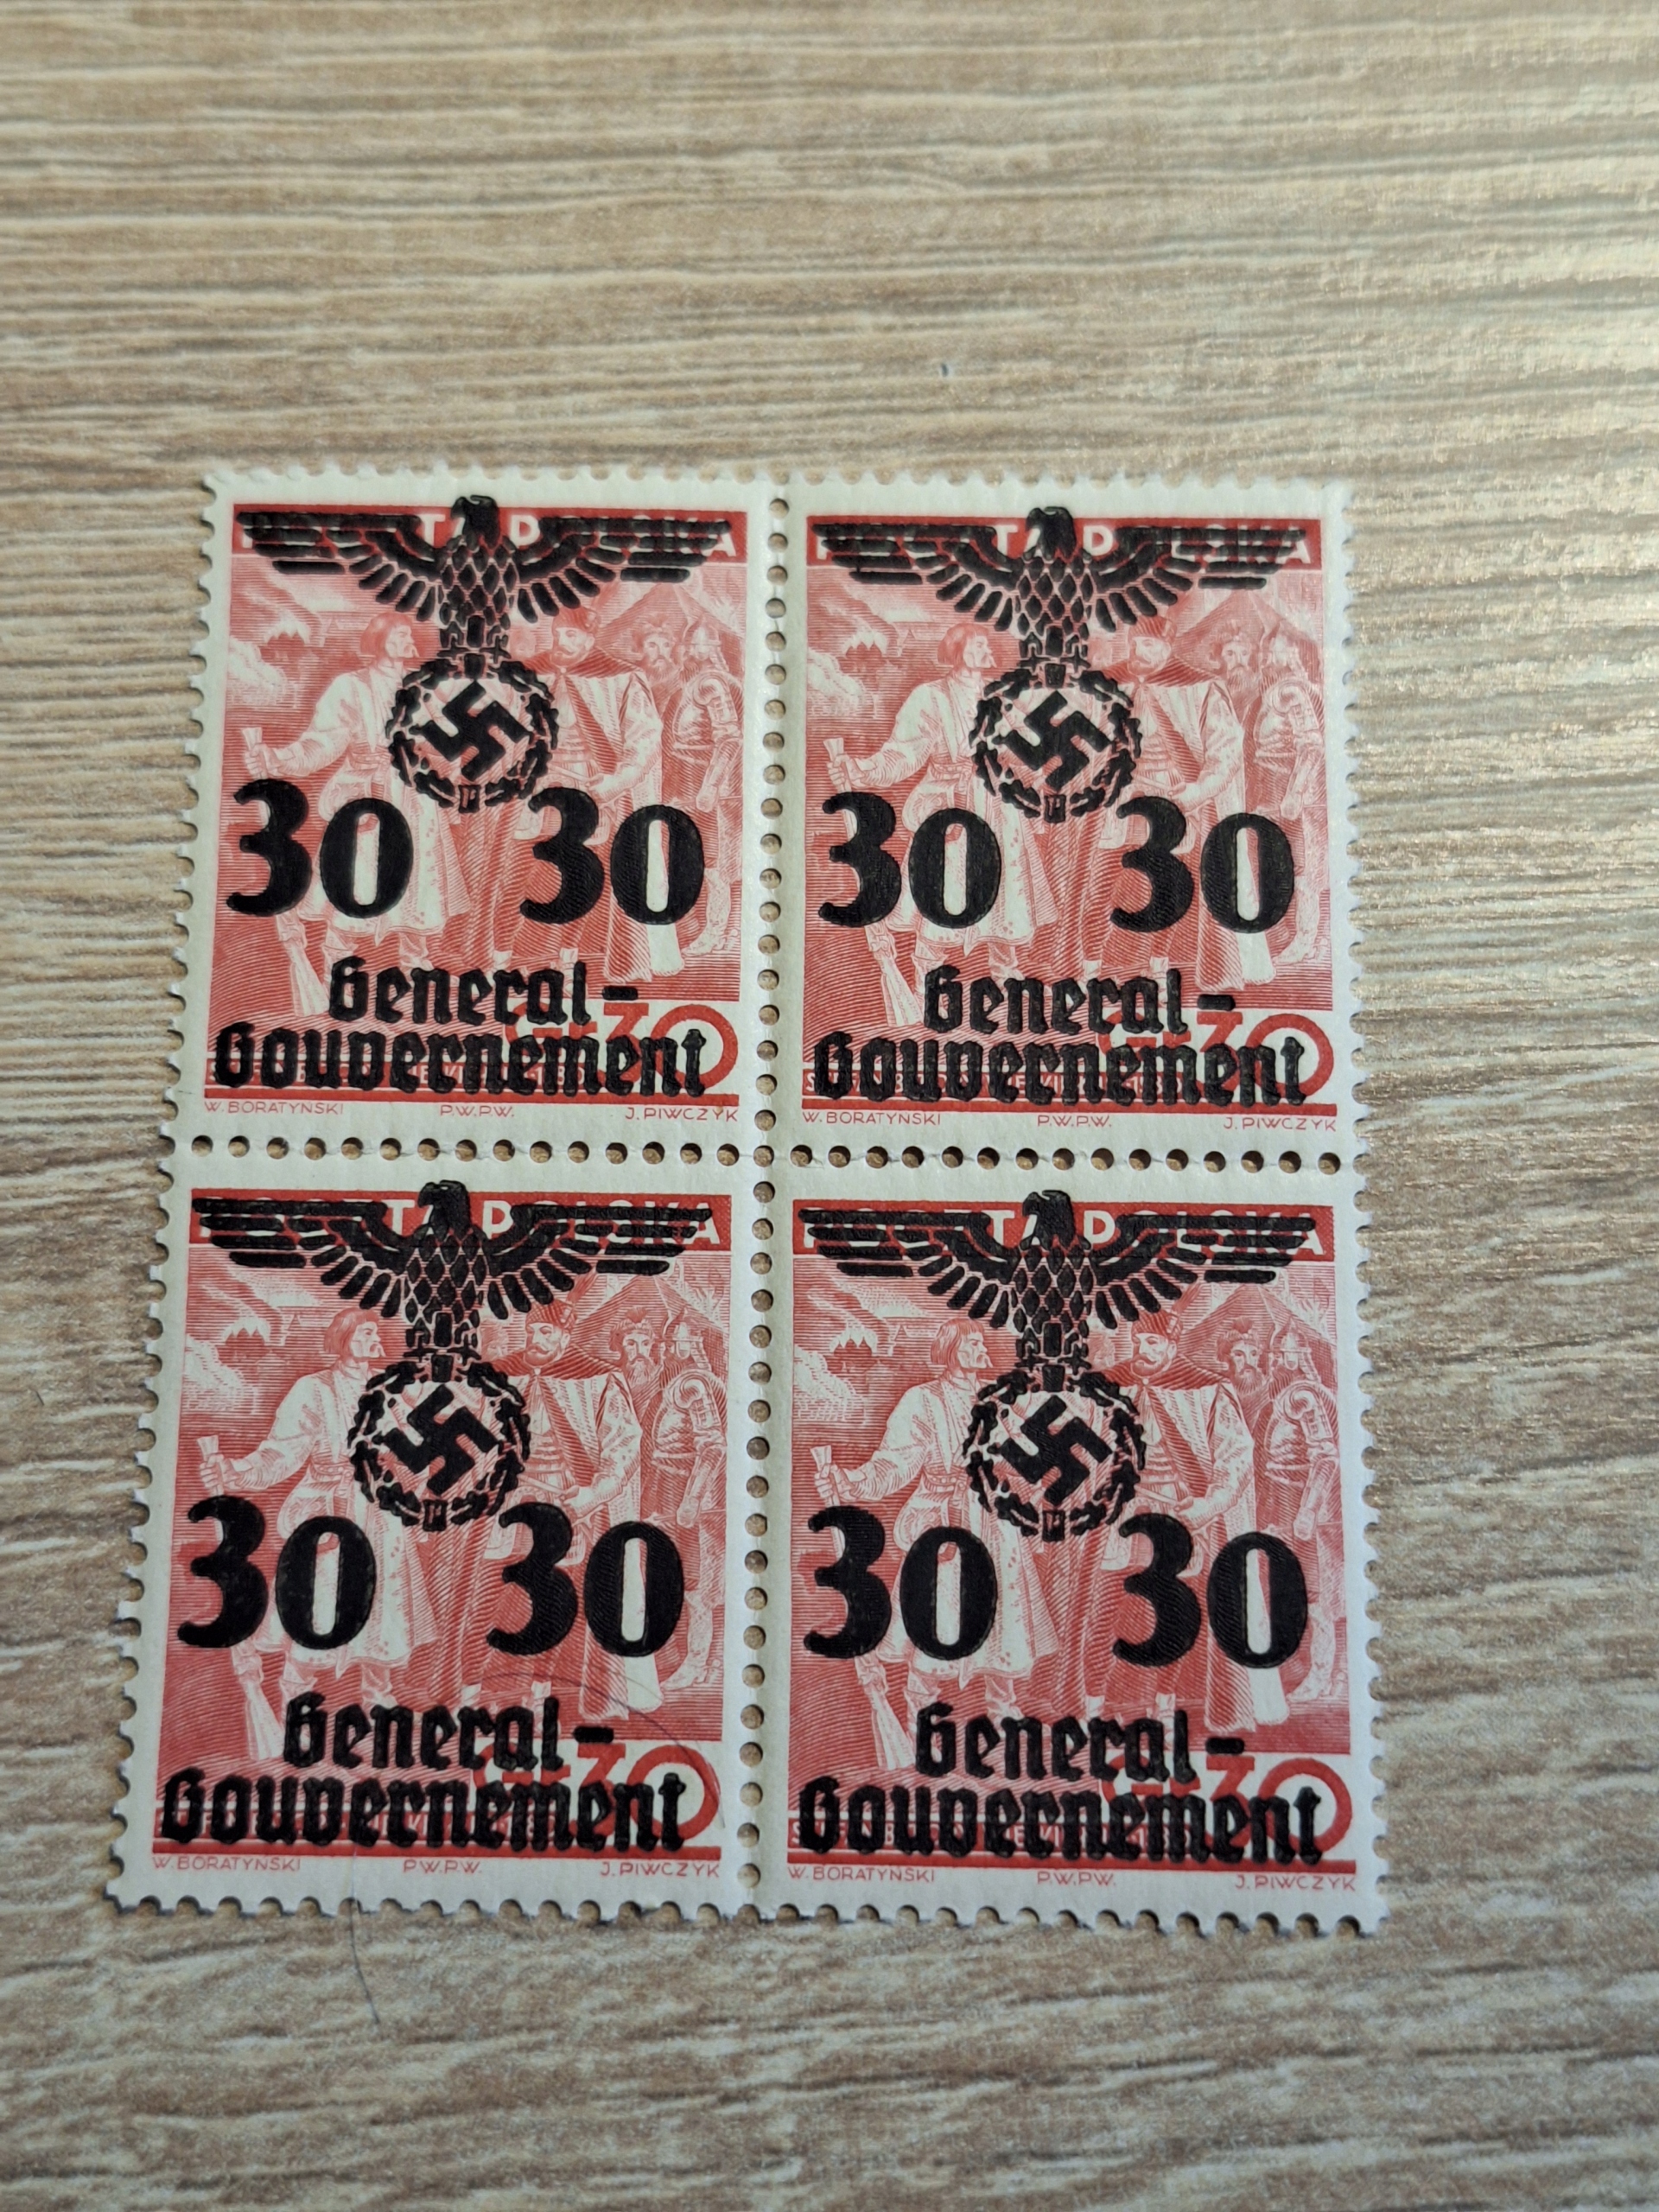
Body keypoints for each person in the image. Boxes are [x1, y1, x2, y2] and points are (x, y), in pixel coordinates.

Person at [812, 1322, 1057, 1772]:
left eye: (982, 1342)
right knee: (934, 1624)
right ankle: (921, 1725)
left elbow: (1031, 1458)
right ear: (951, 1349)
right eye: (973, 1342)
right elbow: (893, 1464)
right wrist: (850, 1480)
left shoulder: (1001, 1403)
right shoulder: (922, 1401)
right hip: (943, 1527)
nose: (982, 1348)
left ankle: (1004, 1722)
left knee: (1003, 1621)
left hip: (997, 1527)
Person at [198, 1309, 435, 1760]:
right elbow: (279, 1454)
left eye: (375, 1332)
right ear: (343, 1340)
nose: (374, 1338)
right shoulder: (313, 1390)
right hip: (329, 1516)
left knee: (381, 1609)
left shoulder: (394, 1393)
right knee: (316, 1613)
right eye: (365, 1332)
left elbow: (418, 1454)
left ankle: (378, 1708)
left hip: (382, 1517)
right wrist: (233, 1471)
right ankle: (297, 1709)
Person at [241, 611, 472, 1011]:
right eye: (399, 635)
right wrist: (276, 759)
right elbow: (321, 743)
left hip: (417, 802)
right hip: (368, 799)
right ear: (379, 640)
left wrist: (447, 763)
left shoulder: (425, 689)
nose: (409, 641)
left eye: (409, 635)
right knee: (356, 885)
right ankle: (339, 975)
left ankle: (416, 974)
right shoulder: (351, 687)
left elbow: (451, 742)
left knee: (419, 885)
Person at [823, 624, 1057, 1009]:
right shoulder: (930, 697)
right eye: (977, 644)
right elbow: (902, 754)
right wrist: (861, 769)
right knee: (943, 890)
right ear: (958, 650)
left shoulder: (1002, 698)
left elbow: (1032, 750)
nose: (986, 650)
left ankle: (1006, 974)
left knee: (1003, 887)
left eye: (987, 644)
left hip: (999, 808)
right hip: (950, 807)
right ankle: (928, 977)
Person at [473, 1300, 652, 1718]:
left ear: (566, 1336)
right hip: (513, 1504)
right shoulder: (503, 1374)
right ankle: (510, 1690)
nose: (535, 1340)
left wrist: (595, 1493)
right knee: (509, 1593)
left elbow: (623, 1445)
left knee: (568, 1599)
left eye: (546, 1332)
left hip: (572, 1506)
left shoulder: (597, 1377)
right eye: (532, 1331)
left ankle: (553, 1692)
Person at [499, 609, 682, 980]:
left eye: (571, 635)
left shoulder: (620, 677)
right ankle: (498, 961)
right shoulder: (530, 674)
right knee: (516, 873)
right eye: (558, 633)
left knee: (581, 879)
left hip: (589, 789)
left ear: (589, 639)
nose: (561, 642)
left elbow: (644, 741)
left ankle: (567, 963)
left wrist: (612, 784)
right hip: (539, 788)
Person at [1265, 1318, 1343, 1702]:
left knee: (1314, 1595)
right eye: (1277, 1352)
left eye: (1283, 1353)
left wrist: (1308, 1511)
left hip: (1300, 1504)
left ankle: (1322, 1676)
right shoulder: (1288, 1395)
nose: (1275, 1360)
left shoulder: (1302, 1397)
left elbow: (1325, 1456)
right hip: (1282, 1502)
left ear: (1297, 1356)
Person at [652, 1315, 728, 1693]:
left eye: (676, 1340)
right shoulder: (694, 1379)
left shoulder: (694, 1384)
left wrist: (692, 1499)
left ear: (695, 1342)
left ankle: (697, 1664)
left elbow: (712, 1447)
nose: (667, 1347)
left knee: (700, 1587)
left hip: (694, 1495)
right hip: (674, 1487)